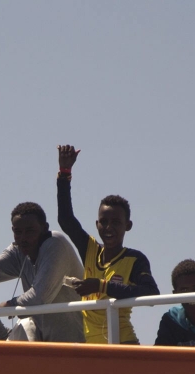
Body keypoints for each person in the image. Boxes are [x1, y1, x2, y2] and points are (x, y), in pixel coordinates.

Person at [55, 145, 159, 343]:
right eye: (104, 222)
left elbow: (151, 293)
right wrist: (64, 173)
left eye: (116, 222)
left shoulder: (135, 259)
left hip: (123, 344)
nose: (109, 227)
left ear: (128, 226)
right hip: (90, 348)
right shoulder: (90, 249)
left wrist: (100, 285)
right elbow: (66, 219)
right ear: (97, 224)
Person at [0, 200, 84, 342]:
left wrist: (11, 304)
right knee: (23, 325)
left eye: (30, 231)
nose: (23, 238)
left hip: (78, 342)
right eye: (18, 232)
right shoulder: (18, 251)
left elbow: (40, 297)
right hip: (44, 345)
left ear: (44, 228)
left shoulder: (56, 244)